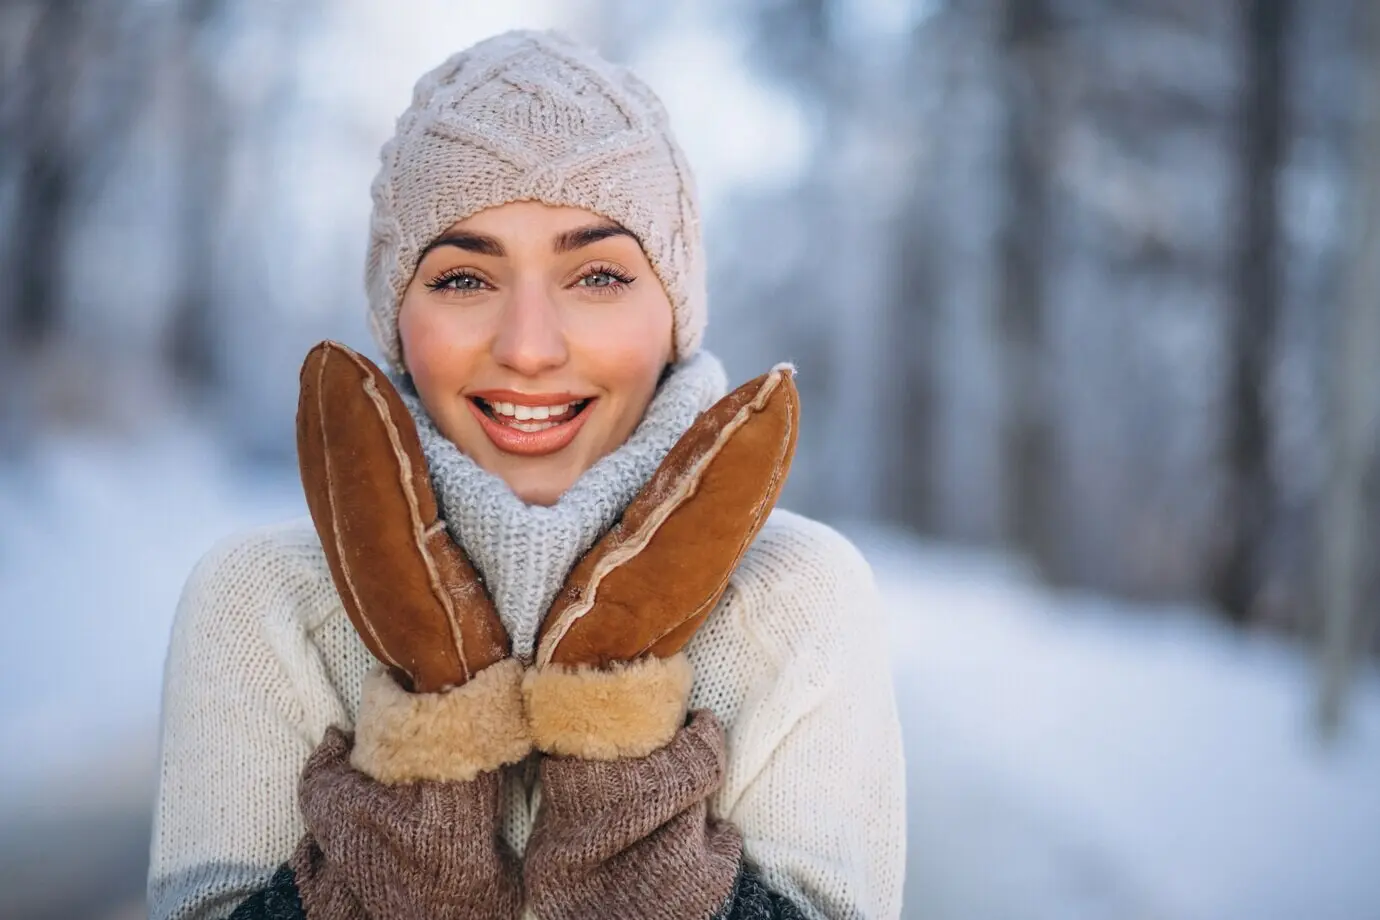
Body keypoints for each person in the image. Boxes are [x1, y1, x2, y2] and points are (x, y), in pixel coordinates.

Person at [147, 29, 905, 920]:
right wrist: (417, 807)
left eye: (597, 274)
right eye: (465, 279)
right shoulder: (259, 602)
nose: (530, 348)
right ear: (399, 316)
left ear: (675, 313)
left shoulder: (797, 601)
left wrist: (626, 813)